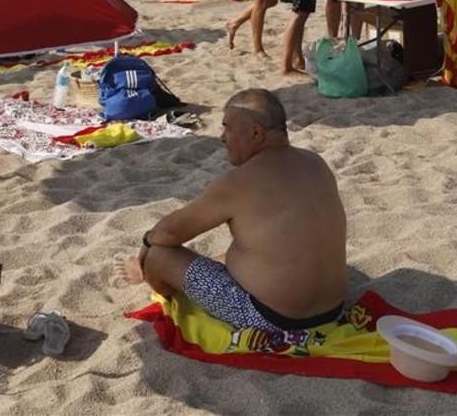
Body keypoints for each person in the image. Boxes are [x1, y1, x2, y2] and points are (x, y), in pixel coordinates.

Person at [112, 89, 347, 332]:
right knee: (250, 246)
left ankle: (146, 274)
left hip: (273, 319)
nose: (223, 137)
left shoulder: (241, 181)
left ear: (256, 132)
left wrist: (145, 251)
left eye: (227, 128)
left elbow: (168, 234)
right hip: (333, 310)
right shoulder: (315, 162)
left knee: (159, 255)